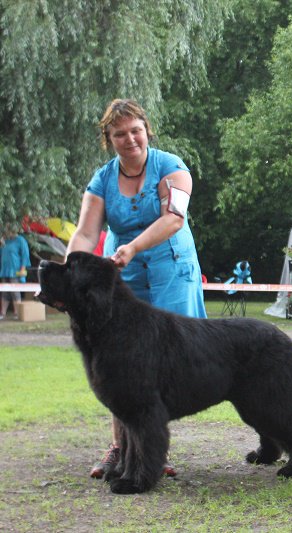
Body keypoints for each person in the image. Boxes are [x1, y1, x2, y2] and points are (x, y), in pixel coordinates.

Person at [66, 98, 207, 479]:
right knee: (118, 361)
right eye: (119, 134)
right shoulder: (102, 179)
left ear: (147, 130)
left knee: (170, 359)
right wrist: (69, 276)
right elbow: (85, 232)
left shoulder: (171, 167)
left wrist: (133, 246)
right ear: (108, 139)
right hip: (121, 273)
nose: (129, 139)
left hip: (171, 268)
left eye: (135, 131)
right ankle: (120, 447)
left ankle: (152, 451)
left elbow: (174, 220)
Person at [0, 230, 32, 319]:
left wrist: (23, 268)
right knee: (4, 292)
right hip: (4, 270)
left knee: (15, 292)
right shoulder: (4, 240)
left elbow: (25, 255)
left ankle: (17, 313)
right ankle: (2, 313)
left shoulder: (20, 240)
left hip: (15, 270)